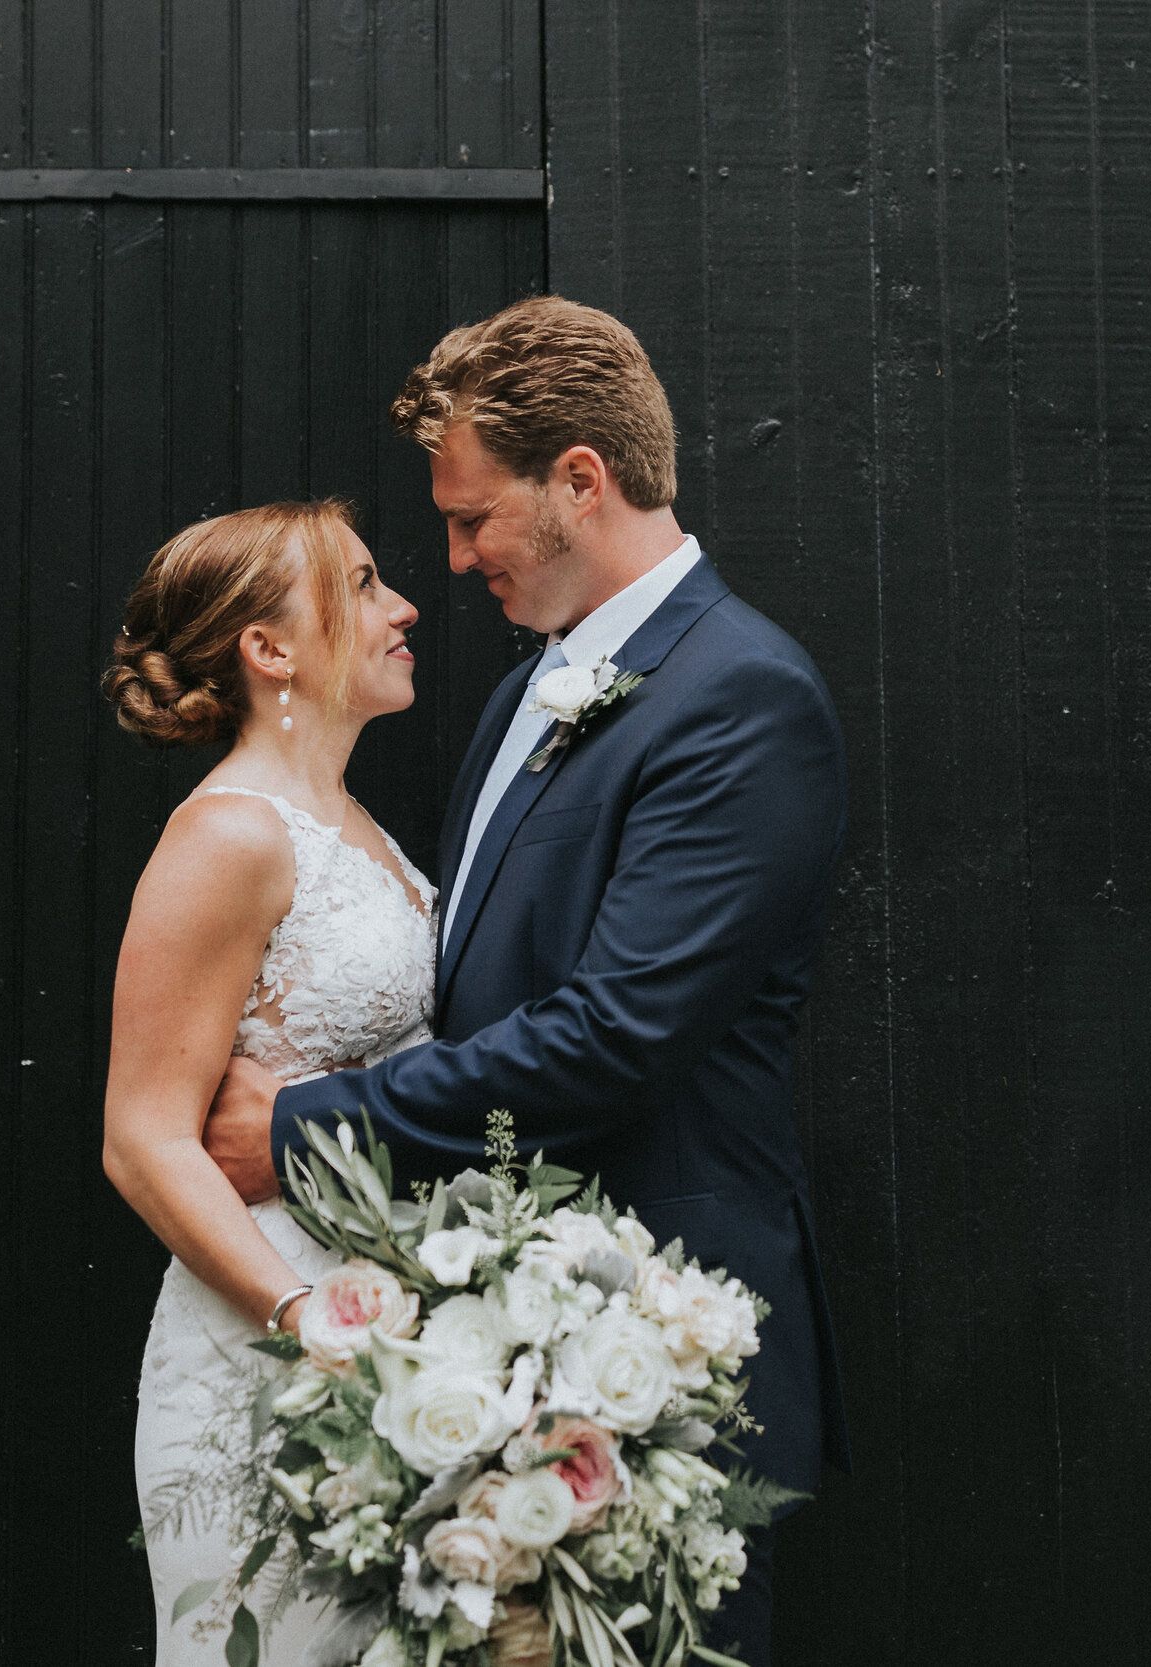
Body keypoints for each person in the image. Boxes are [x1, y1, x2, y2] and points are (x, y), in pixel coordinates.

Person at [198, 296, 852, 1666]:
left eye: (473, 515)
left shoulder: (743, 694)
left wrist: (313, 1121)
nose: (452, 556)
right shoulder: (529, 690)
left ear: (580, 482)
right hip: (495, 1348)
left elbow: (617, 1035)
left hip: (659, 1353)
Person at [100, 499, 433, 1664]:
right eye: (361, 582)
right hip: (272, 1349)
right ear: (269, 648)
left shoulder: (358, 829)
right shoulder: (231, 837)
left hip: (399, 1333)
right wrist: (305, 1323)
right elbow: (143, 1138)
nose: (403, 606)